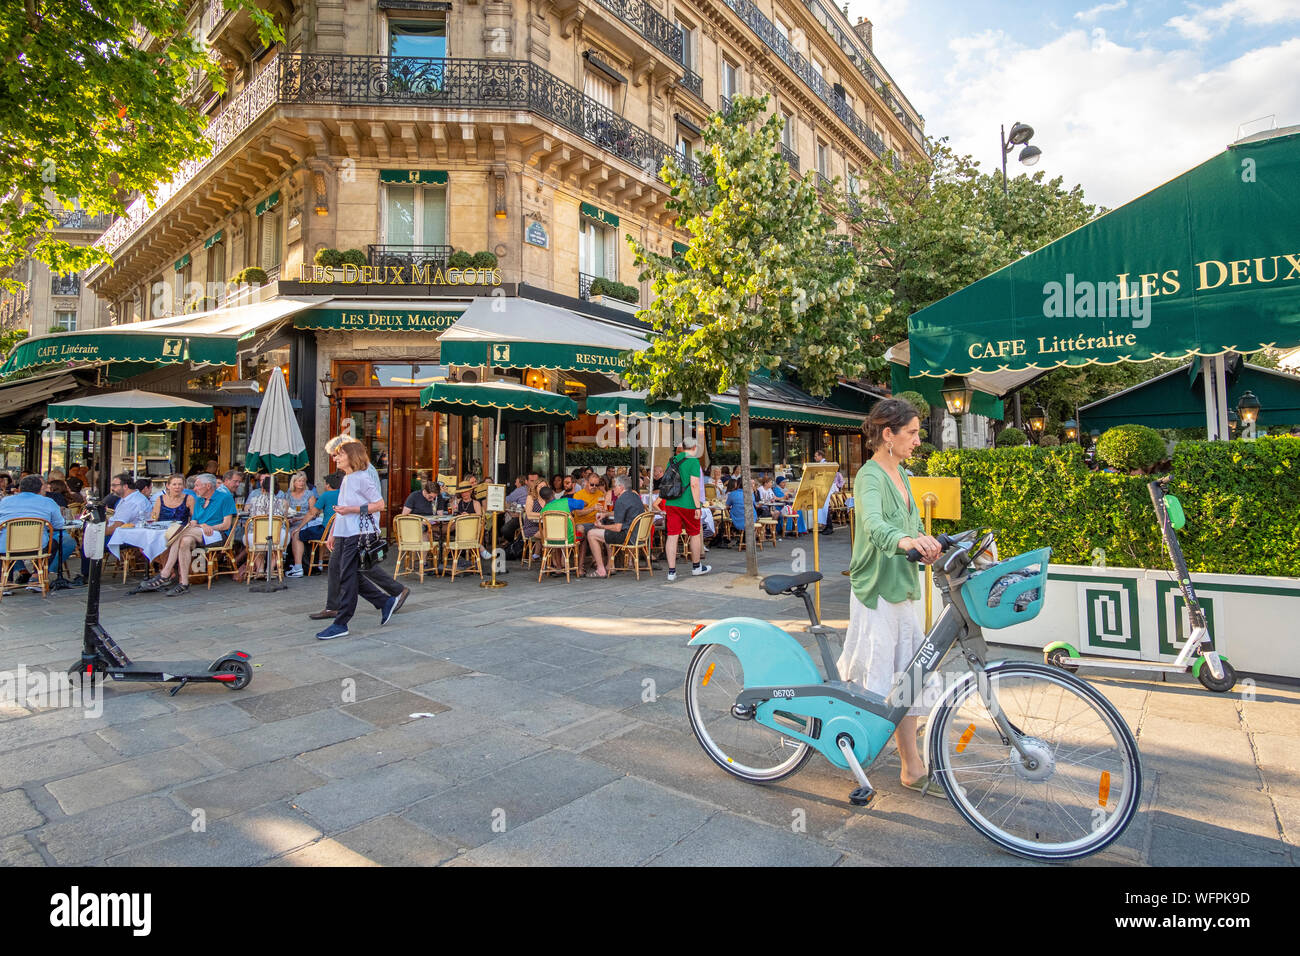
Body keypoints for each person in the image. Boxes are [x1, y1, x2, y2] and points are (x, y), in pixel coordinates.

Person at [837, 398, 943, 796]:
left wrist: (930, 544)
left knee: (907, 675)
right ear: (888, 434)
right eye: (912, 432)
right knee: (882, 675)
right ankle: (871, 751)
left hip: (903, 586)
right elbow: (877, 525)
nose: (918, 440)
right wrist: (905, 541)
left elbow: (912, 523)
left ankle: (910, 764)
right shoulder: (869, 476)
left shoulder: (902, 474)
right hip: (878, 588)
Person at [316, 441, 397, 640]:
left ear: (352, 456)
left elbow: (379, 504)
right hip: (345, 533)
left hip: (358, 533)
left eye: (340, 455)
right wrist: (334, 532)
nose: (336, 458)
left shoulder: (361, 478)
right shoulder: (347, 478)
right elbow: (341, 509)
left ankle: (341, 622)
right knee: (349, 574)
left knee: (347, 576)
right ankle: (384, 601)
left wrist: (352, 510)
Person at [137, 474, 236, 596]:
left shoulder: (225, 498)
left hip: (217, 535)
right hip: (198, 533)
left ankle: (165, 573)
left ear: (208, 486)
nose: (195, 488)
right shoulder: (199, 499)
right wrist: (199, 525)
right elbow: (194, 520)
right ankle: (184, 583)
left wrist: (207, 526)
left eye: (198, 485)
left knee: (178, 532)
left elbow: (226, 525)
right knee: (184, 541)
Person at [0, 474, 76, 582]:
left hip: (7, 547)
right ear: (40, 488)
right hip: (37, 546)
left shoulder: (5, 501)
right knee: (53, 543)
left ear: (20, 489)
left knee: (5, 540)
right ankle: (37, 576)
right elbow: (59, 525)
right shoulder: (48, 502)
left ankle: (5, 581)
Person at [661, 436, 709, 582]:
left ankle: (671, 571)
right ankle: (696, 567)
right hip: (688, 503)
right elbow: (694, 485)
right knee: (694, 534)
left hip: (671, 503)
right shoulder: (693, 461)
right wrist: (697, 506)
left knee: (672, 535)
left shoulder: (673, 460)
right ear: (694, 448)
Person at [578, 475, 645, 577]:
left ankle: (601, 570)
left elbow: (617, 528)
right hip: (638, 535)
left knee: (592, 534)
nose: (613, 489)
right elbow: (624, 512)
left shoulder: (620, 500)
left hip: (627, 537)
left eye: (615, 487)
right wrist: (606, 514)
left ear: (621, 487)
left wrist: (601, 527)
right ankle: (610, 564)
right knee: (606, 533)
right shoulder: (634, 496)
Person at [290, 471, 340, 577]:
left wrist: (299, 527)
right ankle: (319, 563)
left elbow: (312, 513)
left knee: (297, 535)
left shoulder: (326, 495)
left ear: (328, 485)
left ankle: (298, 568)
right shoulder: (344, 494)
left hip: (327, 532)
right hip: (341, 531)